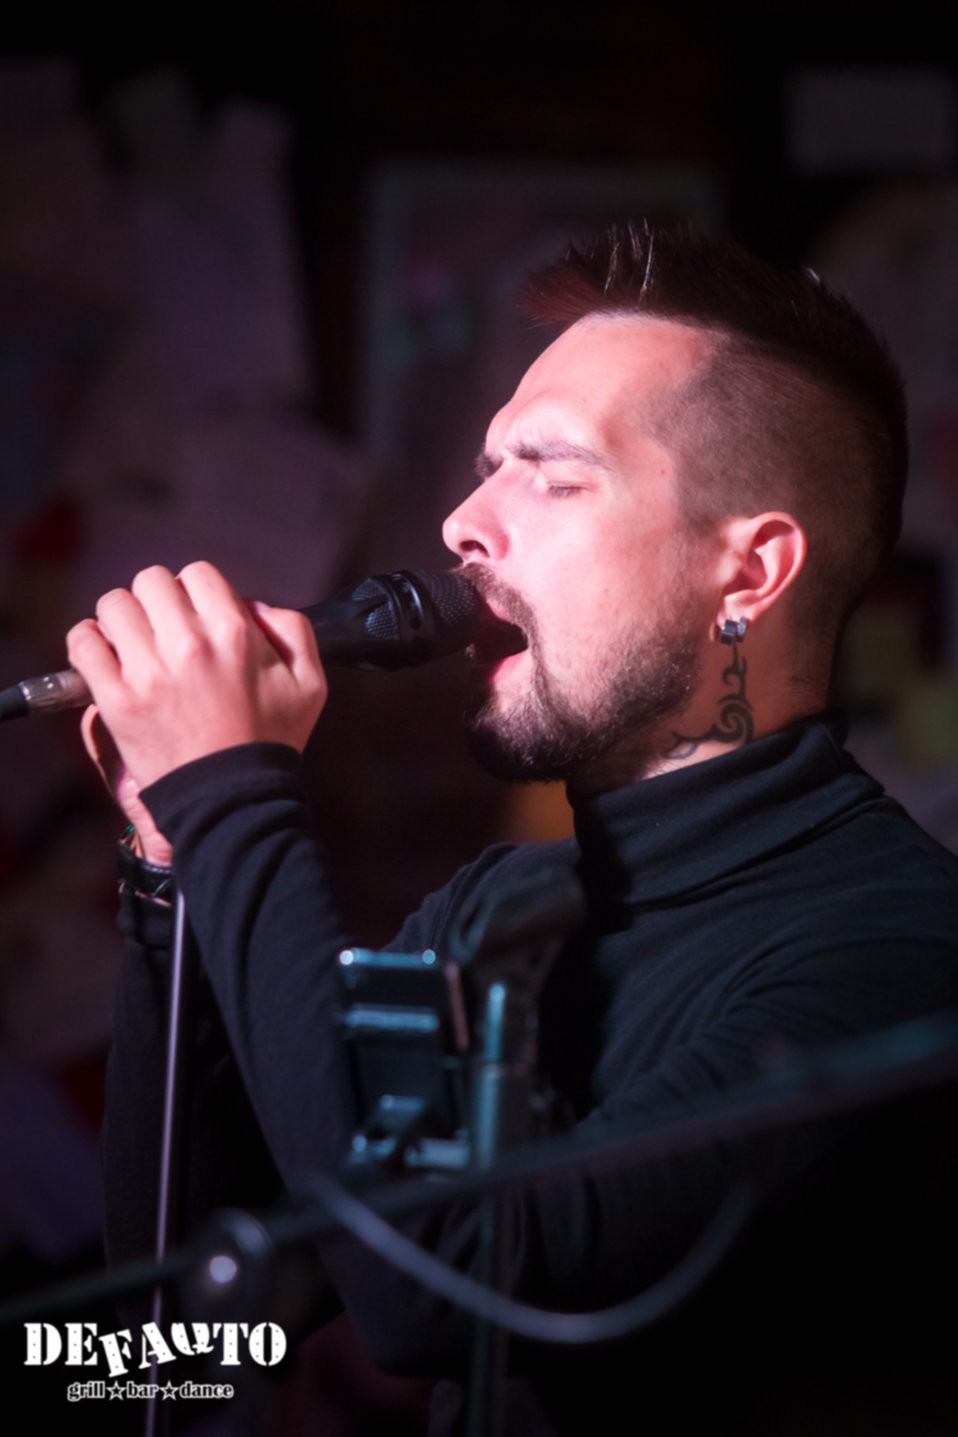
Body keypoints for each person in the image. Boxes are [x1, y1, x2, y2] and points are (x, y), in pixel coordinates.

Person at [71, 223, 958, 1434]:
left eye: (552, 474)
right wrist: (173, 869)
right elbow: (174, 1342)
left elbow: (432, 1292)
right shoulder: (498, 917)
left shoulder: (896, 958)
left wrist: (233, 794)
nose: (462, 523)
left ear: (749, 573)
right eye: (488, 467)